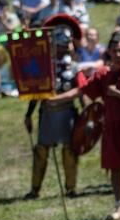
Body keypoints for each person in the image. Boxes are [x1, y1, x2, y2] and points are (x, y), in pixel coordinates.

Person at [56, 32, 120, 220]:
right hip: (111, 125)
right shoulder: (104, 74)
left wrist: (117, 94)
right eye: (115, 51)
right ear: (109, 51)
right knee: (115, 167)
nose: (118, 54)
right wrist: (53, 100)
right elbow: (83, 90)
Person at [23, 26, 86, 199]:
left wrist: (86, 113)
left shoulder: (74, 68)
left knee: (69, 151)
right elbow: (36, 93)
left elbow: (81, 90)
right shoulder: (44, 67)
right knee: (41, 151)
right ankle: (35, 189)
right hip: (48, 114)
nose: (62, 47)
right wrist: (29, 114)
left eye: (65, 43)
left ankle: (70, 188)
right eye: (59, 43)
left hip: (67, 113)